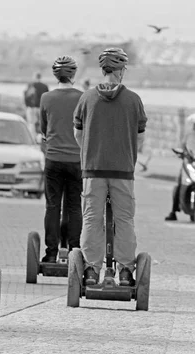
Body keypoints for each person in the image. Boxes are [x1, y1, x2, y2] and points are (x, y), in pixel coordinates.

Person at [74, 47, 147, 287]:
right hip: (123, 170)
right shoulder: (134, 100)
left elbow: (78, 133)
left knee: (92, 218)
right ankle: (125, 270)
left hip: (93, 170)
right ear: (121, 71)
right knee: (125, 220)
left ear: (103, 70)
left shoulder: (86, 98)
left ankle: (92, 270)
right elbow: (140, 139)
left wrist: (91, 150)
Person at [39, 55, 83, 263]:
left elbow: (43, 129)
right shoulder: (83, 98)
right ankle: (74, 250)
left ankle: (51, 252)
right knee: (74, 206)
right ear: (73, 74)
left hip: (54, 158)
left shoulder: (46, 98)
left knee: (52, 206)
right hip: (76, 159)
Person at [165, 113, 195, 221]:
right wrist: (182, 154)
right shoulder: (189, 135)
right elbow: (182, 146)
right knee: (179, 183)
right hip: (189, 162)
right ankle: (173, 211)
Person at [24, 72, 49, 136]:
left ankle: (33, 137)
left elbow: (26, 96)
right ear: (40, 77)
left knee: (31, 123)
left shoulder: (31, 85)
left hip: (32, 107)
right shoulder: (45, 86)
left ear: (34, 77)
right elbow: (47, 97)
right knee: (42, 123)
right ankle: (41, 137)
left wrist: (26, 106)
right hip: (41, 107)